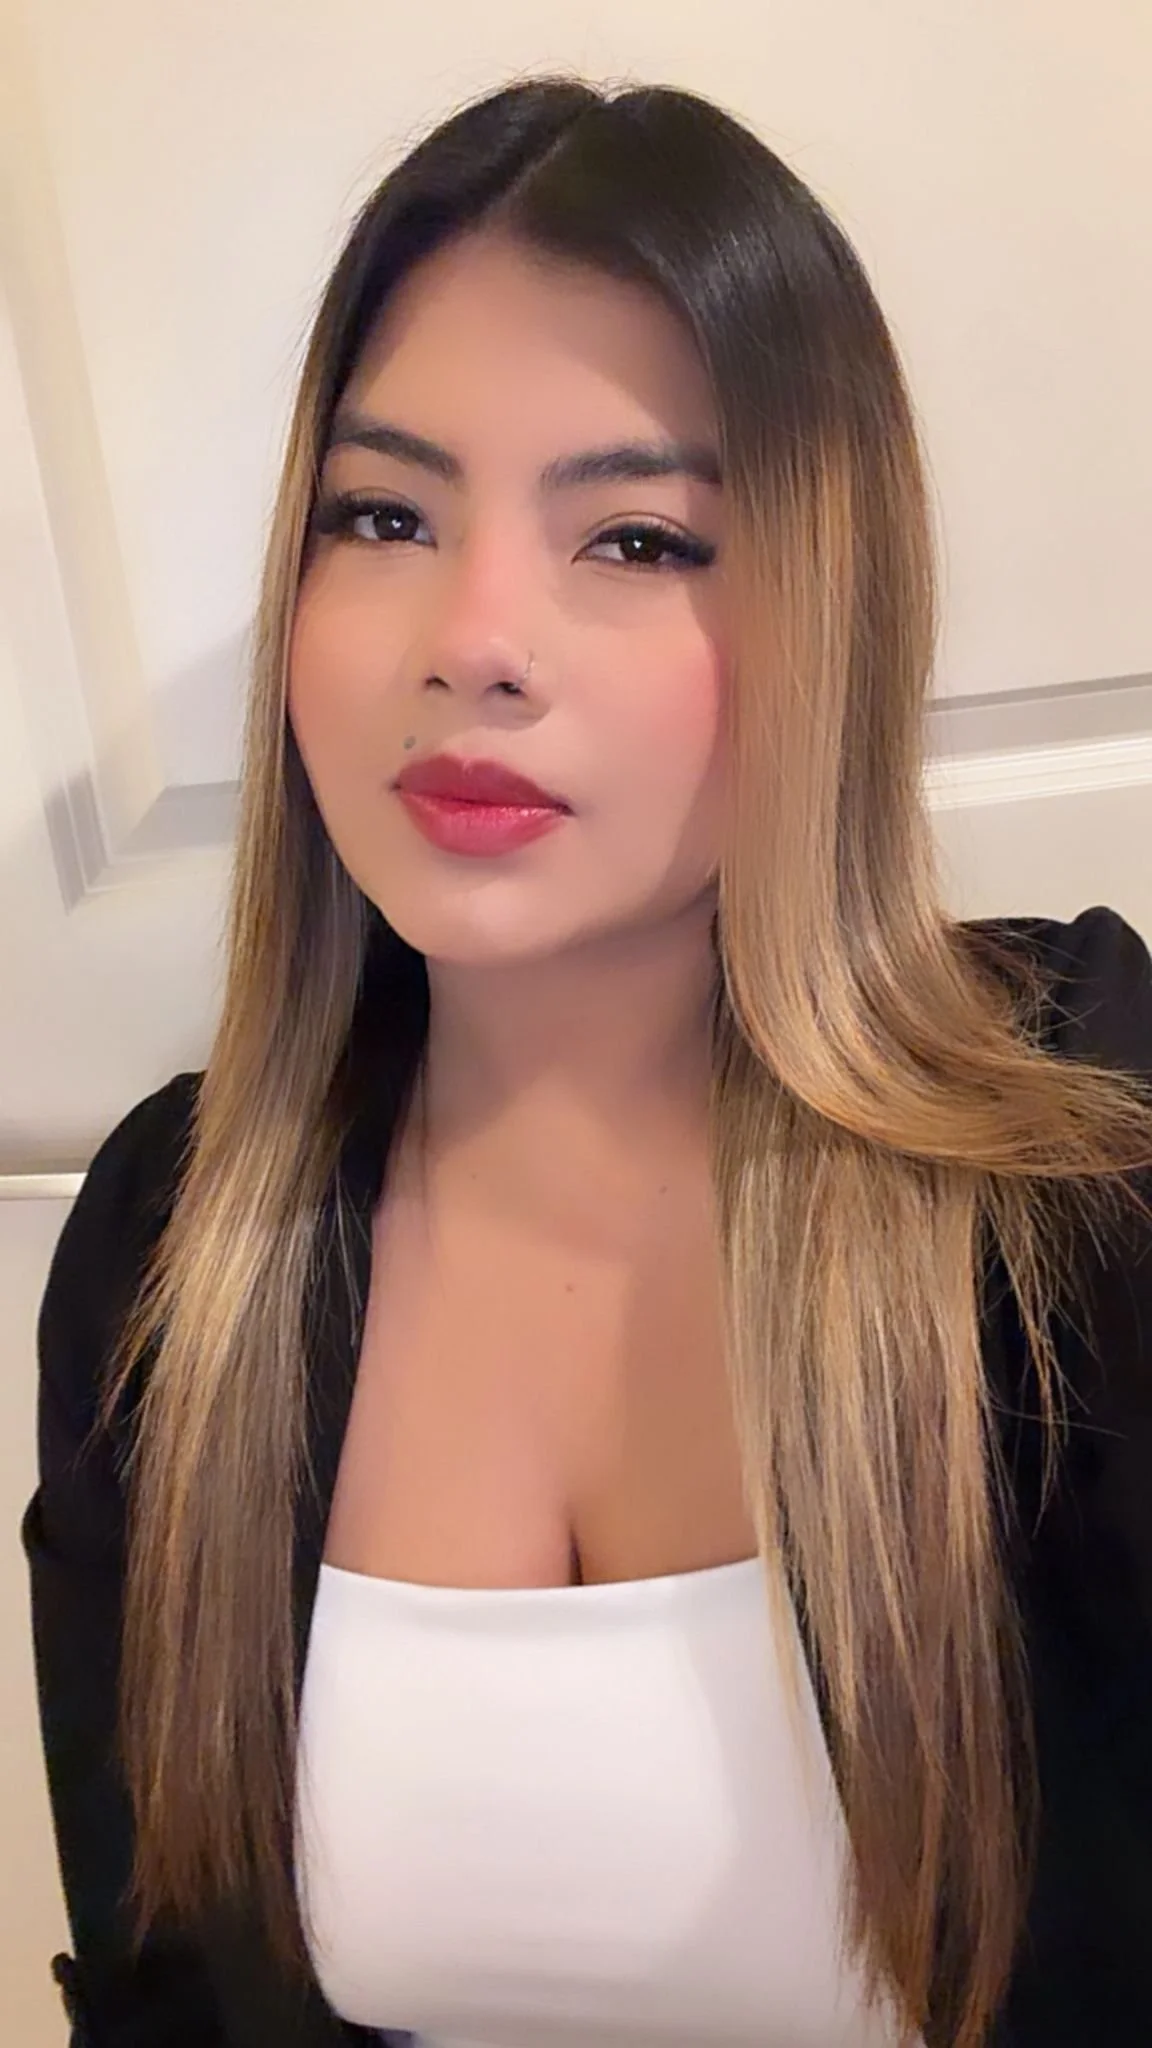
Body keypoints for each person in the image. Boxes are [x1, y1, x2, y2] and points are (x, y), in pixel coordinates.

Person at [21, 71, 1152, 2048]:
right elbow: (159, 1994)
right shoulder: (166, 1252)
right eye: (384, 515)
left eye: (634, 537)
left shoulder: (1080, 1157)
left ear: (829, 612)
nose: (475, 640)